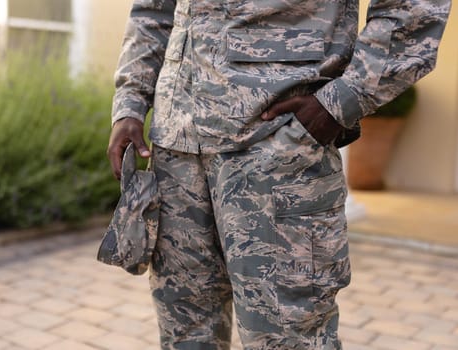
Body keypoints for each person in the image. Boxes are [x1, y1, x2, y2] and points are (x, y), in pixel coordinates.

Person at [108, 0, 450, 348]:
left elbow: (415, 8)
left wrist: (339, 102)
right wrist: (130, 102)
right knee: (185, 335)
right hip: (177, 151)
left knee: (287, 339)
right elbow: (154, 8)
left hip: (277, 151)